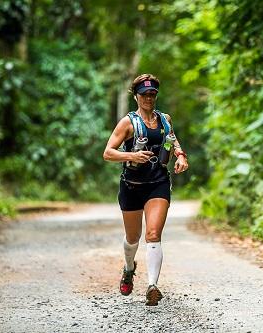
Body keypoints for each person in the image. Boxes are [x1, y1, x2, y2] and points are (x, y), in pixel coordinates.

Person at [103, 74, 188, 306]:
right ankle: (129, 269)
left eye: (152, 94)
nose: (149, 98)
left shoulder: (165, 119)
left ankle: (152, 286)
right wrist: (132, 155)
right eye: (144, 95)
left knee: (153, 234)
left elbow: (172, 139)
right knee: (133, 238)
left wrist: (180, 155)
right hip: (131, 186)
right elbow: (108, 152)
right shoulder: (128, 123)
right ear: (136, 96)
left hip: (158, 184)